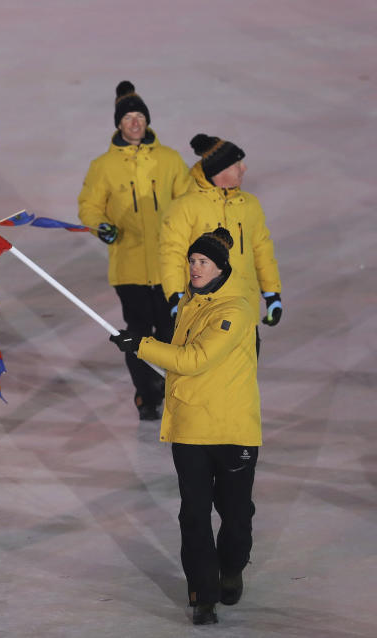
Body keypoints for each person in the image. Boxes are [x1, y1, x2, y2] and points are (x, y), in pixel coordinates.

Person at [110, 228, 261, 625]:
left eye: (203, 262)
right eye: (192, 261)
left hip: (232, 430)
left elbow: (194, 359)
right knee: (193, 515)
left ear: (220, 268)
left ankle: (231, 569)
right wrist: (143, 342)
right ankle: (203, 596)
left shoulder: (235, 309)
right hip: (191, 428)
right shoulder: (192, 303)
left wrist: (141, 344)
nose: (194, 268)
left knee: (236, 516)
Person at [78, 81, 192, 420]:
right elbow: (89, 206)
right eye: (128, 117)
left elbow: (189, 202)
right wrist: (102, 227)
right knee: (139, 335)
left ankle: (174, 393)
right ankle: (146, 394)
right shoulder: (103, 167)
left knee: (172, 335)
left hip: (170, 268)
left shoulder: (170, 160)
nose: (135, 122)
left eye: (140, 116)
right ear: (118, 123)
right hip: (129, 269)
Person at [159, 134, 282, 355]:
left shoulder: (249, 205)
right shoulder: (185, 207)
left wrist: (272, 293)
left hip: (244, 310)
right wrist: (176, 297)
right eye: (237, 164)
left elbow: (262, 251)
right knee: (205, 379)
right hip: (203, 313)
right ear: (219, 171)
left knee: (243, 378)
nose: (243, 168)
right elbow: (172, 255)